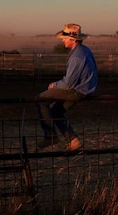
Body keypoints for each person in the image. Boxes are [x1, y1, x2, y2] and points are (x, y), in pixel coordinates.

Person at [35, 23, 97, 152]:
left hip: (77, 91)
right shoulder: (85, 50)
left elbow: (68, 84)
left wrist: (54, 86)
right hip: (85, 89)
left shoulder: (76, 57)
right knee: (56, 111)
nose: (63, 40)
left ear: (72, 40)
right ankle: (73, 141)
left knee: (41, 99)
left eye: (64, 38)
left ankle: (50, 135)